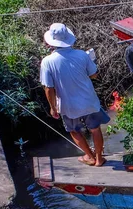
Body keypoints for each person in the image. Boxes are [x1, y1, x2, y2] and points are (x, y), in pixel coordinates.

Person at [40, 23, 110, 167]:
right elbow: (94, 75)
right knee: (95, 129)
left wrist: (53, 107)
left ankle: (89, 157)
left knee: (74, 130)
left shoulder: (47, 62)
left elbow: (49, 88)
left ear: (51, 42)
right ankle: (99, 159)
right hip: (88, 100)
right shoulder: (82, 55)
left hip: (68, 105)